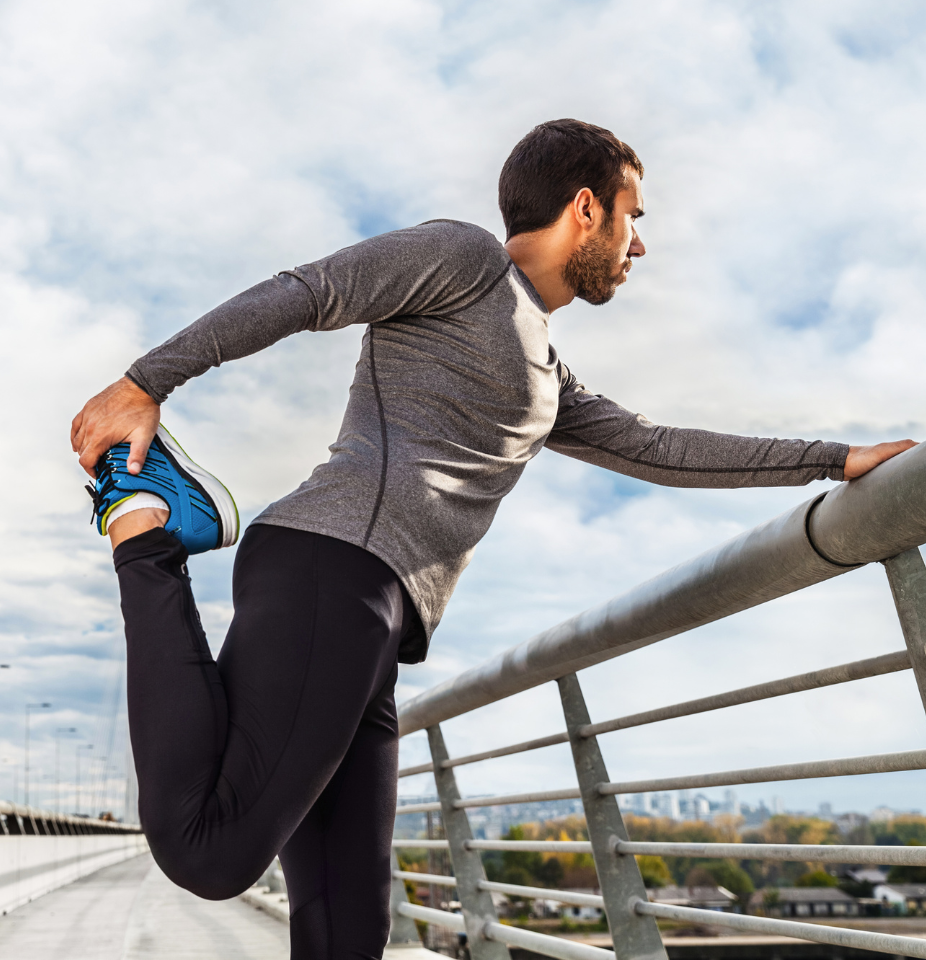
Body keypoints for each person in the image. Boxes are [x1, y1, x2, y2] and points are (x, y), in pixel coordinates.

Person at [70, 119, 913, 960]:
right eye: (634, 216)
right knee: (210, 851)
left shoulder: (546, 370)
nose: (640, 245)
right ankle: (145, 530)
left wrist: (834, 460)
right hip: (333, 567)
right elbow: (307, 290)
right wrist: (147, 381)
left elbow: (656, 447)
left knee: (345, 924)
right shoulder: (464, 259)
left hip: (378, 618)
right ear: (586, 208)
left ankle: (153, 529)